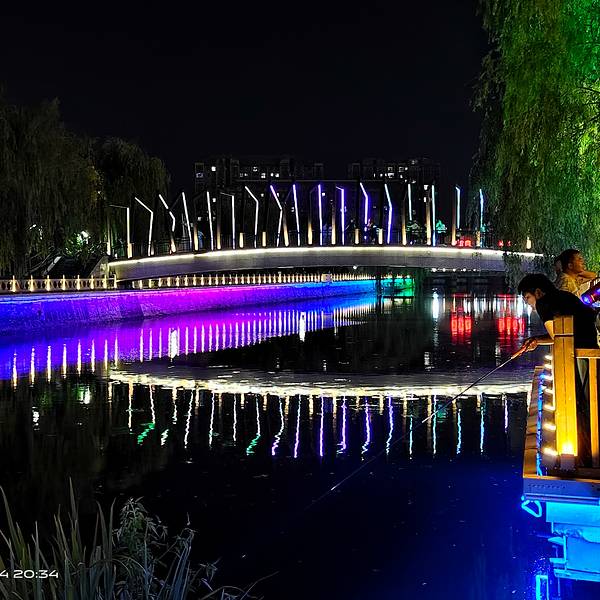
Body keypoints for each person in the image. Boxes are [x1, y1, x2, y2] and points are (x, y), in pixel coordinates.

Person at [517, 273, 598, 464]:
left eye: (528, 298)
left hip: (579, 355)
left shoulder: (545, 304)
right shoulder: (564, 296)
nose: (529, 304)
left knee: (583, 402)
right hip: (589, 349)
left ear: (538, 292)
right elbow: (561, 334)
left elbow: (559, 337)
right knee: (589, 399)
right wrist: (537, 340)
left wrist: (537, 339)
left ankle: (586, 453)